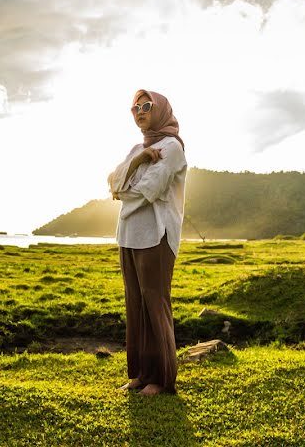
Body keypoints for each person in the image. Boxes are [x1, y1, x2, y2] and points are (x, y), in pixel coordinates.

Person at [107, 89, 187, 396]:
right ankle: (140, 373)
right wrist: (139, 158)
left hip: (157, 234)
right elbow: (113, 180)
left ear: (160, 110)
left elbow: (146, 191)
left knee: (155, 303)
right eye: (134, 108)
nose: (140, 111)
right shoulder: (137, 148)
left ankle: (161, 378)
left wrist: (120, 191)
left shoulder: (172, 147)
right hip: (128, 235)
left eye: (146, 105)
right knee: (135, 304)